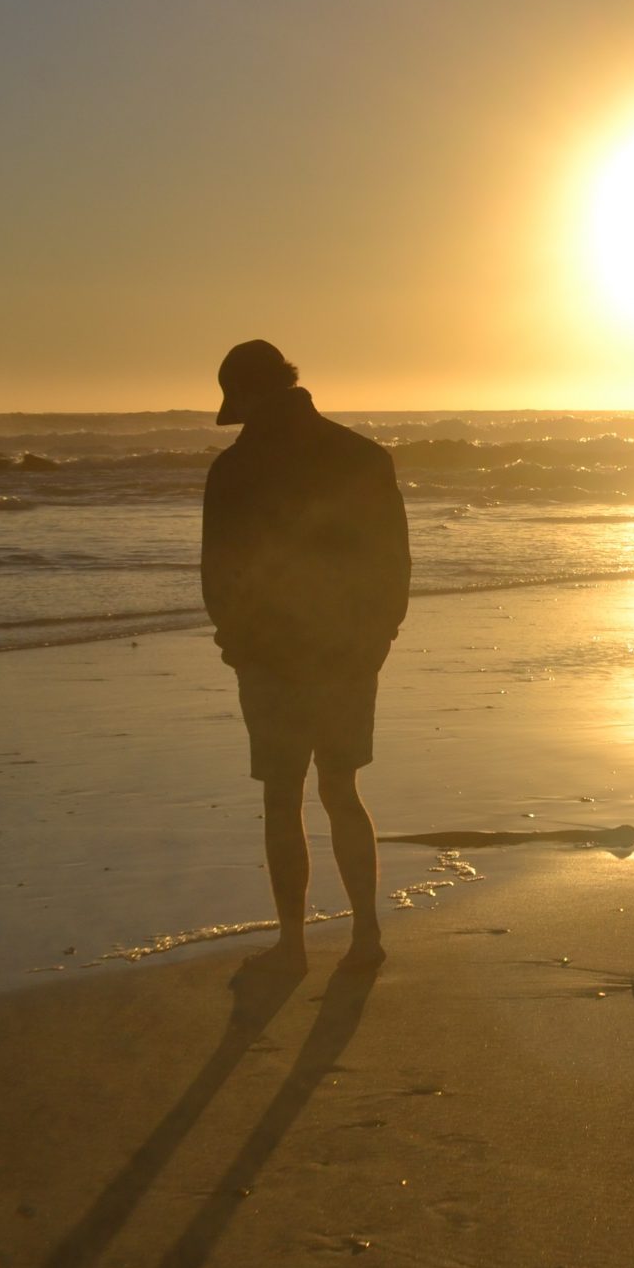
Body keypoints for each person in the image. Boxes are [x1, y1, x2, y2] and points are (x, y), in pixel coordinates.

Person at [200, 340, 410, 972]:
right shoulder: (362, 456)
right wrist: (377, 638)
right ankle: (365, 934)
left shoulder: (234, 469)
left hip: (270, 656)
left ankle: (292, 944)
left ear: (246, 394)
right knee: (341, 789)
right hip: (347, 652)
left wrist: (236, 639)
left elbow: (219, 569)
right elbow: (392, 564)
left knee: (282, 796)